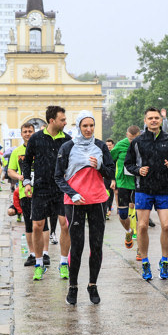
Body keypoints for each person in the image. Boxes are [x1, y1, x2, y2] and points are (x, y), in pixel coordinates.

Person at [54, 111, 115, 305]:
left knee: (96, 246)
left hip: (97, 200)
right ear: (79, 126)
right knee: (77, 247)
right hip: (75, 202)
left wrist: (100, 168)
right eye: (84, 126)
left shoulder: (100, 146)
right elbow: (58, 176)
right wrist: (72, 193)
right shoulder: (67, 146)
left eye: (91, 126)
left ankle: (92, 285)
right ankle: (73, 287)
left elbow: (111, 172)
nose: (88, 129)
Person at [124, 107, 168, 281]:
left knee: (166, 226)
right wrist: (138, 170)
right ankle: (145, 262)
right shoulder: (137, 142)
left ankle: (164, 261)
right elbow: (128, 164)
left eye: (156, 118)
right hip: (143, 189)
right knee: (142, 226)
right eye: (150, 118)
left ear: (160, 120)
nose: (153, 120)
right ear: (145, 121)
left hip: (164, 190)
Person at [23, 106, 72, 281]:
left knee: (64, 224)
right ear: (52, 121)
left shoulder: (67, 140)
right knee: (37, 225)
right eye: (62, 120)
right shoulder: (36, 139)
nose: (65, 123)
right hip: (41, 187)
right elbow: (27, 162)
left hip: (61, 188)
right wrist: (27, 182)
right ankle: (38, 263)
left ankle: (64, 263)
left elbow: (72, 165)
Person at [7, 122, 41, 266]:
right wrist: (20, 177)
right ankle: (32, 253)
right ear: (21, 134)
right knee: (28, 224)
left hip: (41, 191)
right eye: (25, 131)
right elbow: (10, 170)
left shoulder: (40, 149)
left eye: (30, 131)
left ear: (35, 133)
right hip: (24, 192)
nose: (28, 133)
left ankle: (43, 254)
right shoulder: (17, 151)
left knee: (41, 225)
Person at [109, 125, 140, 252]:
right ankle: (129, 231)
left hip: (138, 183)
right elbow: (110, 162)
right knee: (122, 215)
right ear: (127, 134)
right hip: (123, 183)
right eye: (131, 139)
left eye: (135, 139)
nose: (133, 142)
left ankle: (140, 249)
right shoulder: (120, 145)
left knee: (140, 216)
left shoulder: (143, 144)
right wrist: (112, 179)